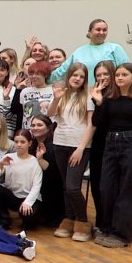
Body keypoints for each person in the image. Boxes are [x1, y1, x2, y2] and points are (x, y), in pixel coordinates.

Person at [48, 63, 95, 241]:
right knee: (65, 186)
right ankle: (69, 219)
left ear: (85, 80)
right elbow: (50, 114)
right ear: (69, 76)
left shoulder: (88, 96)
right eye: (75, 75)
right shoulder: (62, 94)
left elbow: (91, 125)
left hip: (79, 146)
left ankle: (82, 221)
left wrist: (80, 149)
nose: (77, 79)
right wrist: (56, 99)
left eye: (81, 76)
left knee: (73, 186)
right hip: (60, 143)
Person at [92, 63, 132, 248]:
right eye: (117, 75)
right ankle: (106, 227)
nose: (120, 78)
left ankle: (121, 233)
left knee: (126, 189)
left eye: (124, 74)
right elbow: (98, 122)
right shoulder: (110, 99)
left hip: (130, 142)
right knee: (106, 187)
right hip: (110, 143)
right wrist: (99, 102)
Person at [0, 130, 43, 230]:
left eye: (22, 142)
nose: (19, 145)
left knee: (29, 216)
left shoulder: (34, 162)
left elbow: (36, 186)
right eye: (16, 141)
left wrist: (28, 202)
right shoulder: (8, 157)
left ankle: (28, 222)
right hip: (12, 196)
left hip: (27, 197)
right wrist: (0, 165)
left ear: (29, 143)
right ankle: (4, 220)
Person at [50, 19, 129, 85]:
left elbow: (127, 71)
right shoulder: (79, 52)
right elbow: (61, 72)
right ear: (89, 32)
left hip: (111, 94)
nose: (101, 32)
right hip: (85, 94)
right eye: (98, 29)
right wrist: (44, 76)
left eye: (104, 30)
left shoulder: (115, 48)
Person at [88, 60, 115, 233]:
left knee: (111, 185)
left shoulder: (119, 95)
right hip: (98, 143)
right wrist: (98, 101)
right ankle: (100, 221)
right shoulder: (95, 94)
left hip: (116, 144)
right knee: (97, 183)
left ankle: (112, 223)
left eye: (105, 74)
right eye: (99, 75)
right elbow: (96, 122)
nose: (102, 77)